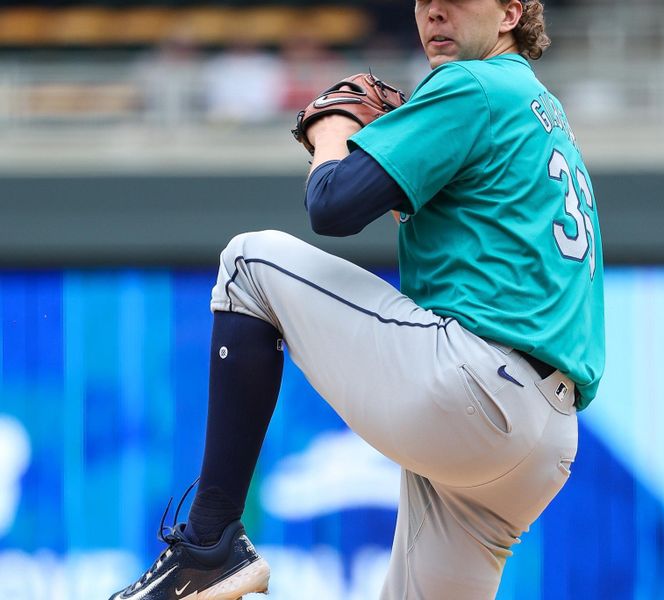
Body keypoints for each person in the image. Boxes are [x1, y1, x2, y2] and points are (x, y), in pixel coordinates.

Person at [108, 0, 604, 598]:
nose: (434, 12)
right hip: (543, 444)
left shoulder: (473, 84)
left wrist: (330, 132)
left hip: (479, 391)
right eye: (424, 1)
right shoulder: (537, 107)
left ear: (509, 14)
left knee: (249, 264)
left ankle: (210, 543)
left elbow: (334, 204)